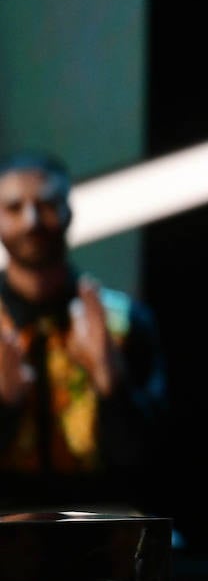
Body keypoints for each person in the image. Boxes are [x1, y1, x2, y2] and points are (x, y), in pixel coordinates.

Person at [0, 149, 169, 515]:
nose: (31, 220)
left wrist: (111, 383)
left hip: (100, 526)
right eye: (14, 208)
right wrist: (5, 403)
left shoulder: (121, 321)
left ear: (68, 213)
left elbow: (153, 460)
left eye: (46, 205)